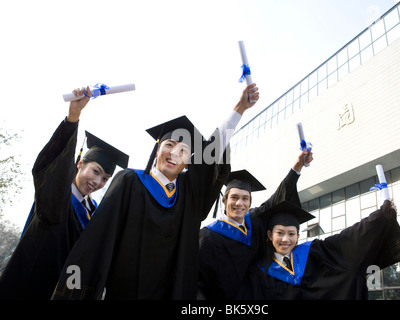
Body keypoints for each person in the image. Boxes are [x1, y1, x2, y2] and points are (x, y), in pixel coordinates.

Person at [51, 84, 260, 300]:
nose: (174, 153)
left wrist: (239, 109)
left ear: (189, 162)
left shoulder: (189, 194)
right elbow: (97, 239)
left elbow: (213, 152)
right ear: (157, 148)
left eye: (183, 150)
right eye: (169, 144)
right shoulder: (130, 182)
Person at [0, 88, 129, 299]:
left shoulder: (93, 213)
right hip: (29, 284)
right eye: (95, 171)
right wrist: (73, 117)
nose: (98, 181)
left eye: (105, 178)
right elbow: (55, 166)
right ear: (79, 164)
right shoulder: (57, 195)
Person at [238, 199, 400, 300]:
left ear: (298, 236)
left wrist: (382, 216)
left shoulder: (314, 252)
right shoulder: (258, 272)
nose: (285, 239)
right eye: (280, 233)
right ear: (269, 235)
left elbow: (350, 238)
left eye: (291, 234)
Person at [198, 150, 313, 300]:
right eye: (234, 197)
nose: (240, 203)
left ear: (250, 202)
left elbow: (278, 197)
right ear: (224, 200)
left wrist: (298, 166)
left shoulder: (255, 220)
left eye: (245, 198)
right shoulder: (208, 236)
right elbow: (197, 281)